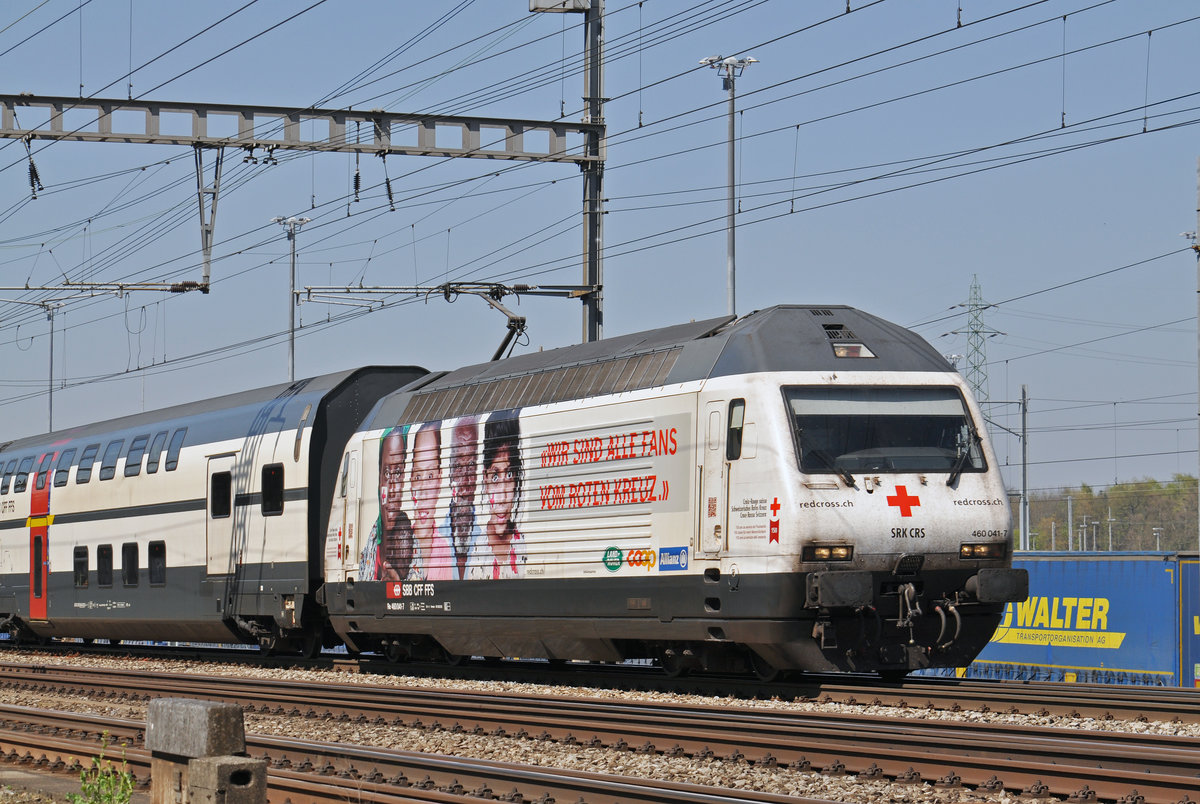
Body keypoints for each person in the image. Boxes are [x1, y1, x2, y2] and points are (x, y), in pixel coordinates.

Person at [468, 412, 526, 580]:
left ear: (516, 479)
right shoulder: (475, 549)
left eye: (508, 476)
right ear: (485, 479)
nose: (501, 497)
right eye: (495, 477)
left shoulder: (524, 547)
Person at [359, 427, 414, 582]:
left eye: (397, 473)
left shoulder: (414, 547)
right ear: (379, 480)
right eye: (387, 474)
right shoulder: (369, 542)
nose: (392, 490)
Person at [409, 421, 454, 581]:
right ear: (411, 481)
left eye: (430, 476)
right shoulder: (399, 544)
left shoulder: (444, 550)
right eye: (418, 476)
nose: (423, 489)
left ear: (439, 479)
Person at [441, 416, 483, 580]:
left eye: (471, 465)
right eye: (458, 466)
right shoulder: (436, 539)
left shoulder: (485, 541)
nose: (465, 481)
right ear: (450, 471)